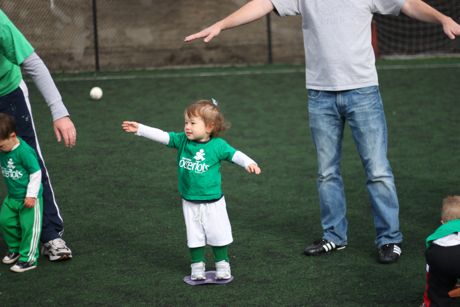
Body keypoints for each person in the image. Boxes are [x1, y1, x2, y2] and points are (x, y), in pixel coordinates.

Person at [185, 0, 460, 264]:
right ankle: (334, 236)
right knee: (327, 172)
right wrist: (222, 24)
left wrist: (442, 18)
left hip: (363, 92)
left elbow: (408, 4)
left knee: (377, 170)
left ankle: (389, 239)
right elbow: (264, 3)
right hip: (320, 95)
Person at [122, 99, 261, 280]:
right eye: (186, 122)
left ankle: (222, 264)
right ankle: (197, 266)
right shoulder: (182, 141)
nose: (187, 127)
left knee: (218, 234)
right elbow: (163, 135)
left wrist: (249, 162)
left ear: (209, 127)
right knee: (194, 236)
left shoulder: (218, 146)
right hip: (190, 201)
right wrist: (140, 129)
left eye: (193, 123)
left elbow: (236, 155)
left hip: (213, 202)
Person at [0, 10, 75, 261]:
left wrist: (59, 111)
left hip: (7, 94)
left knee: (29, 162)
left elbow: (32, 62)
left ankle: (50, 234)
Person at [0, 113, 43, 272]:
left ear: (13, 136)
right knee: (5, 221)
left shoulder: (24, 151)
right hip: (12, 196)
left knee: (29, 228)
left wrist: (31, 195)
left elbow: (36, 173)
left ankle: (29, 258)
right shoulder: (4, 148)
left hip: (29, 199)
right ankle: (15, 248)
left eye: (1, 146)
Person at [422, 196, 460, 307]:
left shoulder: (439, 233)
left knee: (438, 285)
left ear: (442, 222)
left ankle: (434, 303)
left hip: (437, 253)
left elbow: (429, 246)